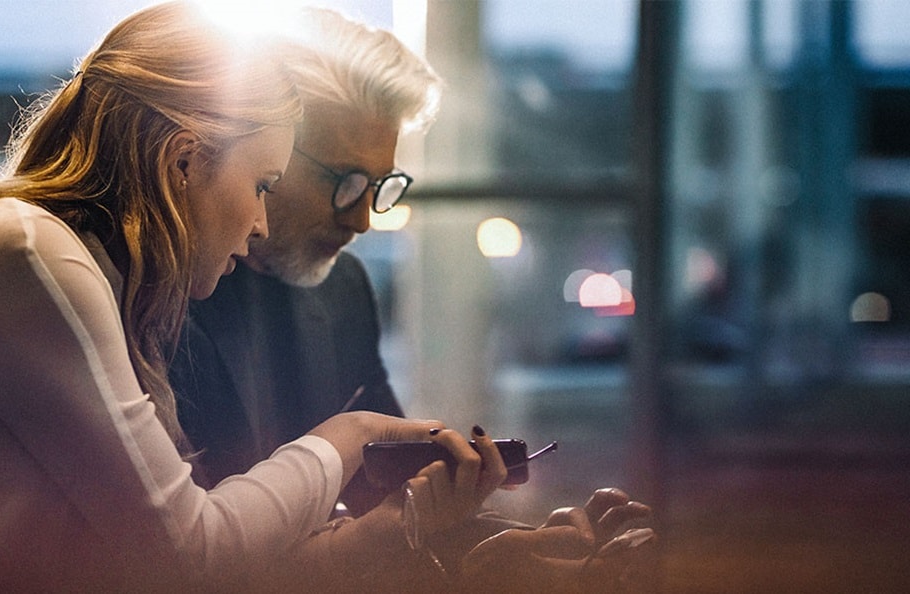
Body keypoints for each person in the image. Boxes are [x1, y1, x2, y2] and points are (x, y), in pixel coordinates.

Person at [0, 3, 510, 592]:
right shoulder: (32, 255)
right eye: (262, 183)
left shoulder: (92, 270)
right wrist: (347, 439)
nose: (260, 222)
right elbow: (192, 561)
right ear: (184, 161)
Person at [169, 6, 655, 592]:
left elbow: (394, 504)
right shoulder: (162, 294)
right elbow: (198, 563)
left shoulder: (344, 289)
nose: (363, 219)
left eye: (378, 187)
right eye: (344, 181)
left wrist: (514, 547)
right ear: (268, 151)